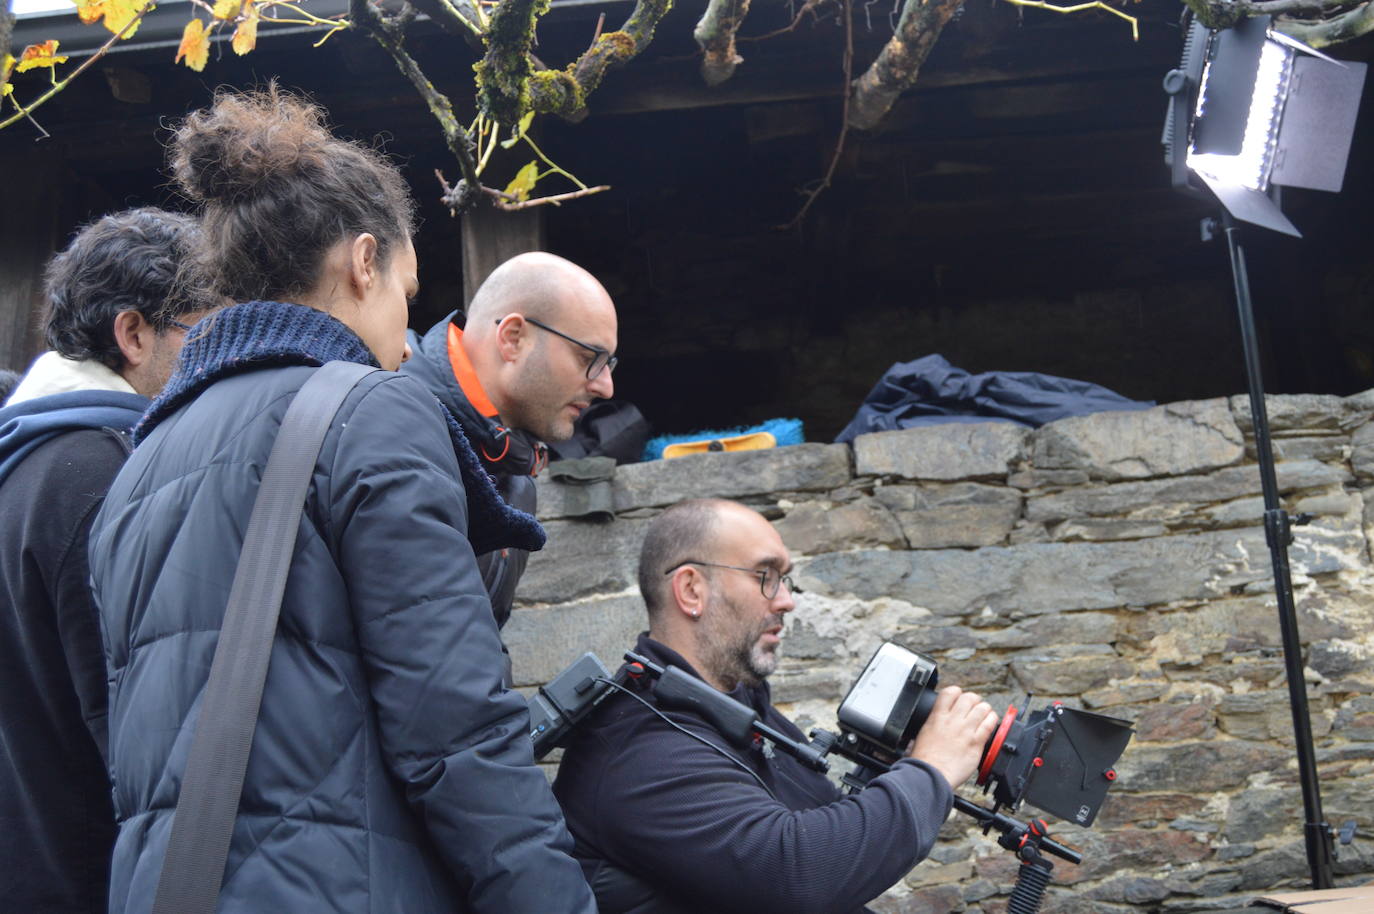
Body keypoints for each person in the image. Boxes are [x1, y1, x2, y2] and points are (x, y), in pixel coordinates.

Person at [87, 87, 595, 913]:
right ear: (364, 263)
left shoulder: (144, 455)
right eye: (407, 287)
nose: (408, 330)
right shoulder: (371, 410)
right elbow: (456, 727)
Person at [553, 498, 1000, 914]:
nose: (786, 600)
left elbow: (818, 814)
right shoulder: (639, 747)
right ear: (691, 590)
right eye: (764, 575)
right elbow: (799, 874)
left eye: (785, 578)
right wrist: (932, 770)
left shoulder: (729, 703)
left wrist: (883, 764)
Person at [0, 207, 207, 914]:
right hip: (92, 880)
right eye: (205, 332)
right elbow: (137, 744)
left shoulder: (25, 458)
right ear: (134, 332)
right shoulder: (102, 476)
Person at [401, 252, 617, 626]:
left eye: (608, 364)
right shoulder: (392, 422)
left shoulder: (518, 478)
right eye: (589, 357)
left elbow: (481, 644)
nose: (606, 386)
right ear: (513, 339)